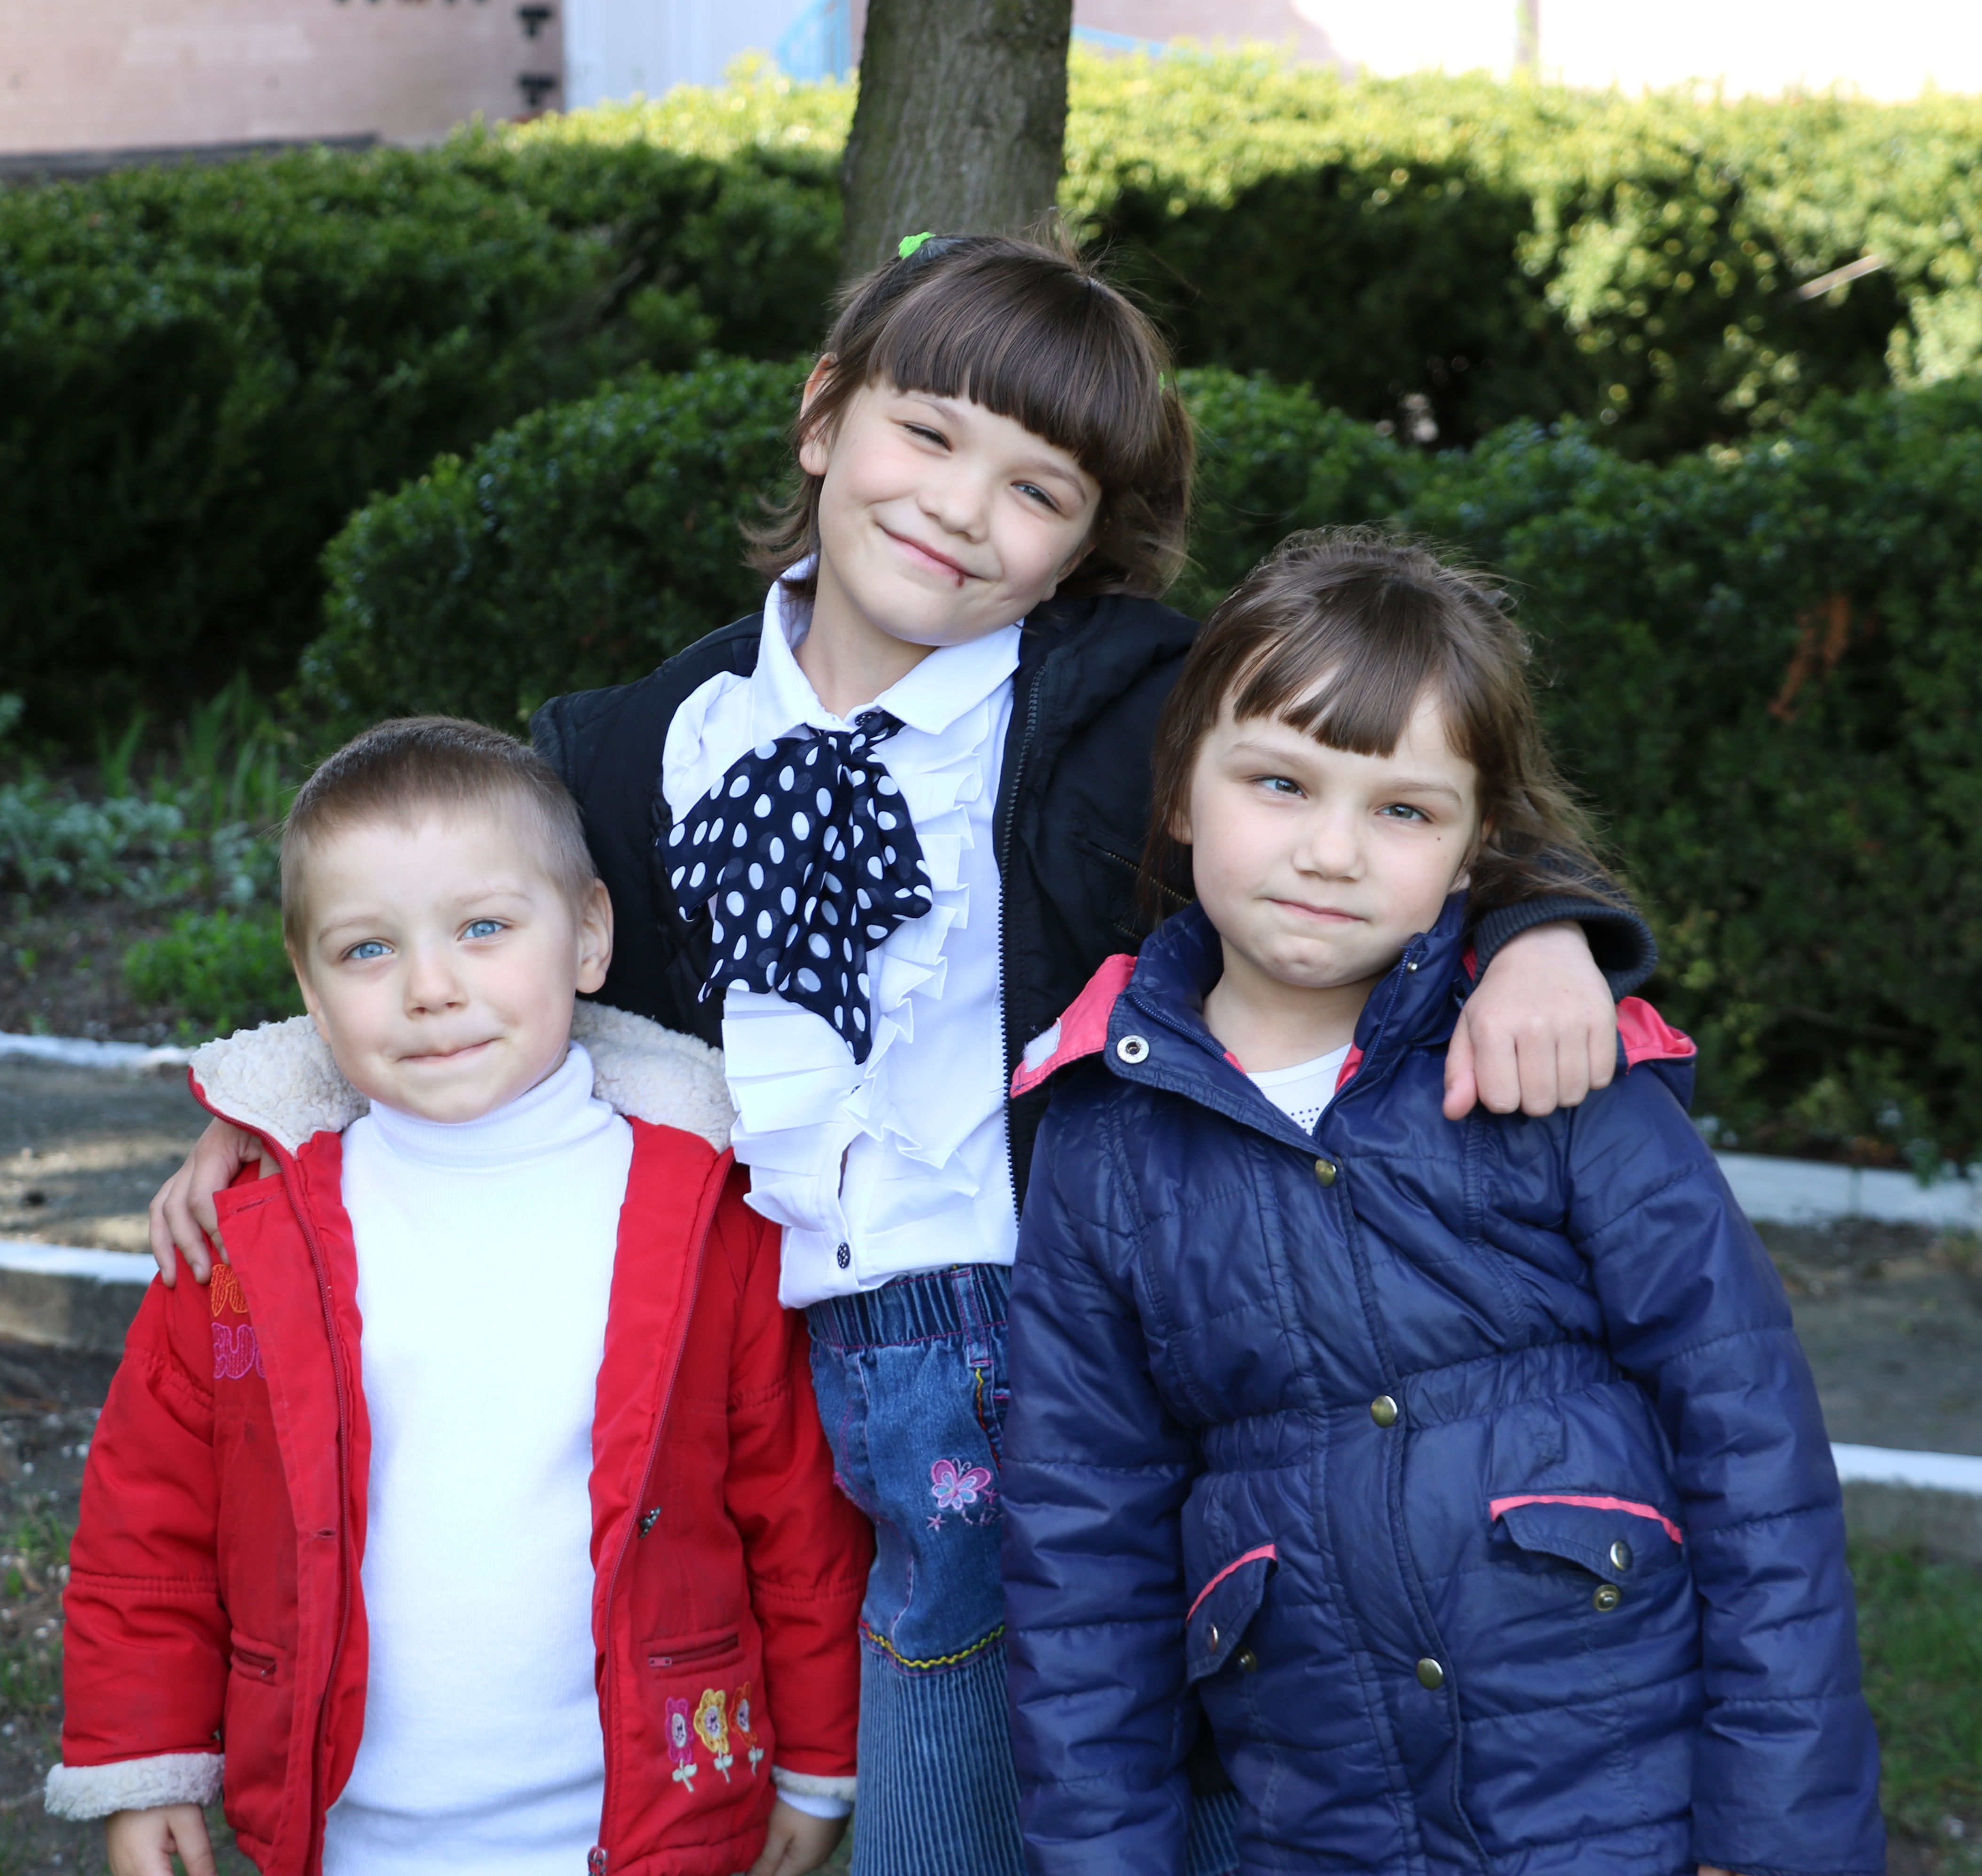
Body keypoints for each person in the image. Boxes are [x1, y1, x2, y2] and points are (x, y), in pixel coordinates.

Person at [145, 237, 1659, 1874]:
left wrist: (1542, 933)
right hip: (781, 1365)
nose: (958, 508)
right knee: (892, 1752)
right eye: (926, 434)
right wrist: (281, 1100)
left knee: (1201, 1731)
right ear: (824, 417)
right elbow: (469, 941)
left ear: (1087, 541)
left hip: (1083, 1332)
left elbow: (1377, 807)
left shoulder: (1134, 708)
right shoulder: (639, 745)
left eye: (1036, 489)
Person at [1000, 529, 1883, 1876]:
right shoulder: (1101, 1140)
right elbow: (1083, 1551)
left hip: (1631, 1810)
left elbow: (1753, 1452)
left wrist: (1775, 1833)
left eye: (1403, 812)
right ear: (1180, 790)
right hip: (1331, 1826)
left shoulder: (1555, 1066)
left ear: (1475, 852)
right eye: (1281, 783)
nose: (1331, 852)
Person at [47, 718, 869, 1876]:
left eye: (484, 928)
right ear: (309, 986)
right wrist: (146, 1757)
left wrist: (820, 1754)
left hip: (646, 1819)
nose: (431, 988)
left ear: (588, 936)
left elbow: (793, 1504)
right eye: (367, 948)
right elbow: (151, 1516)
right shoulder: (249, 1236)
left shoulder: (705, 1213)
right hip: (354, 1830)